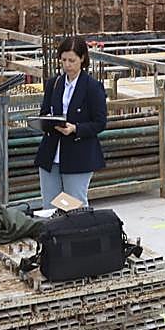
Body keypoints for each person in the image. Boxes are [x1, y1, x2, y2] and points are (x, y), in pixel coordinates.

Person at [35, 36, 106, 207]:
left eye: (72, 60)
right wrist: (48, 122)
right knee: (51, 205)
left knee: (73, 205)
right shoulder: (54, 84)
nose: (67, 65)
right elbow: (44, 112)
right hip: (51, 152)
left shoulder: (92, 87)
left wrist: (76, 128)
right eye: (64, 60)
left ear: (82, 58)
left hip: (78, 154)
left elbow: (100, 122)